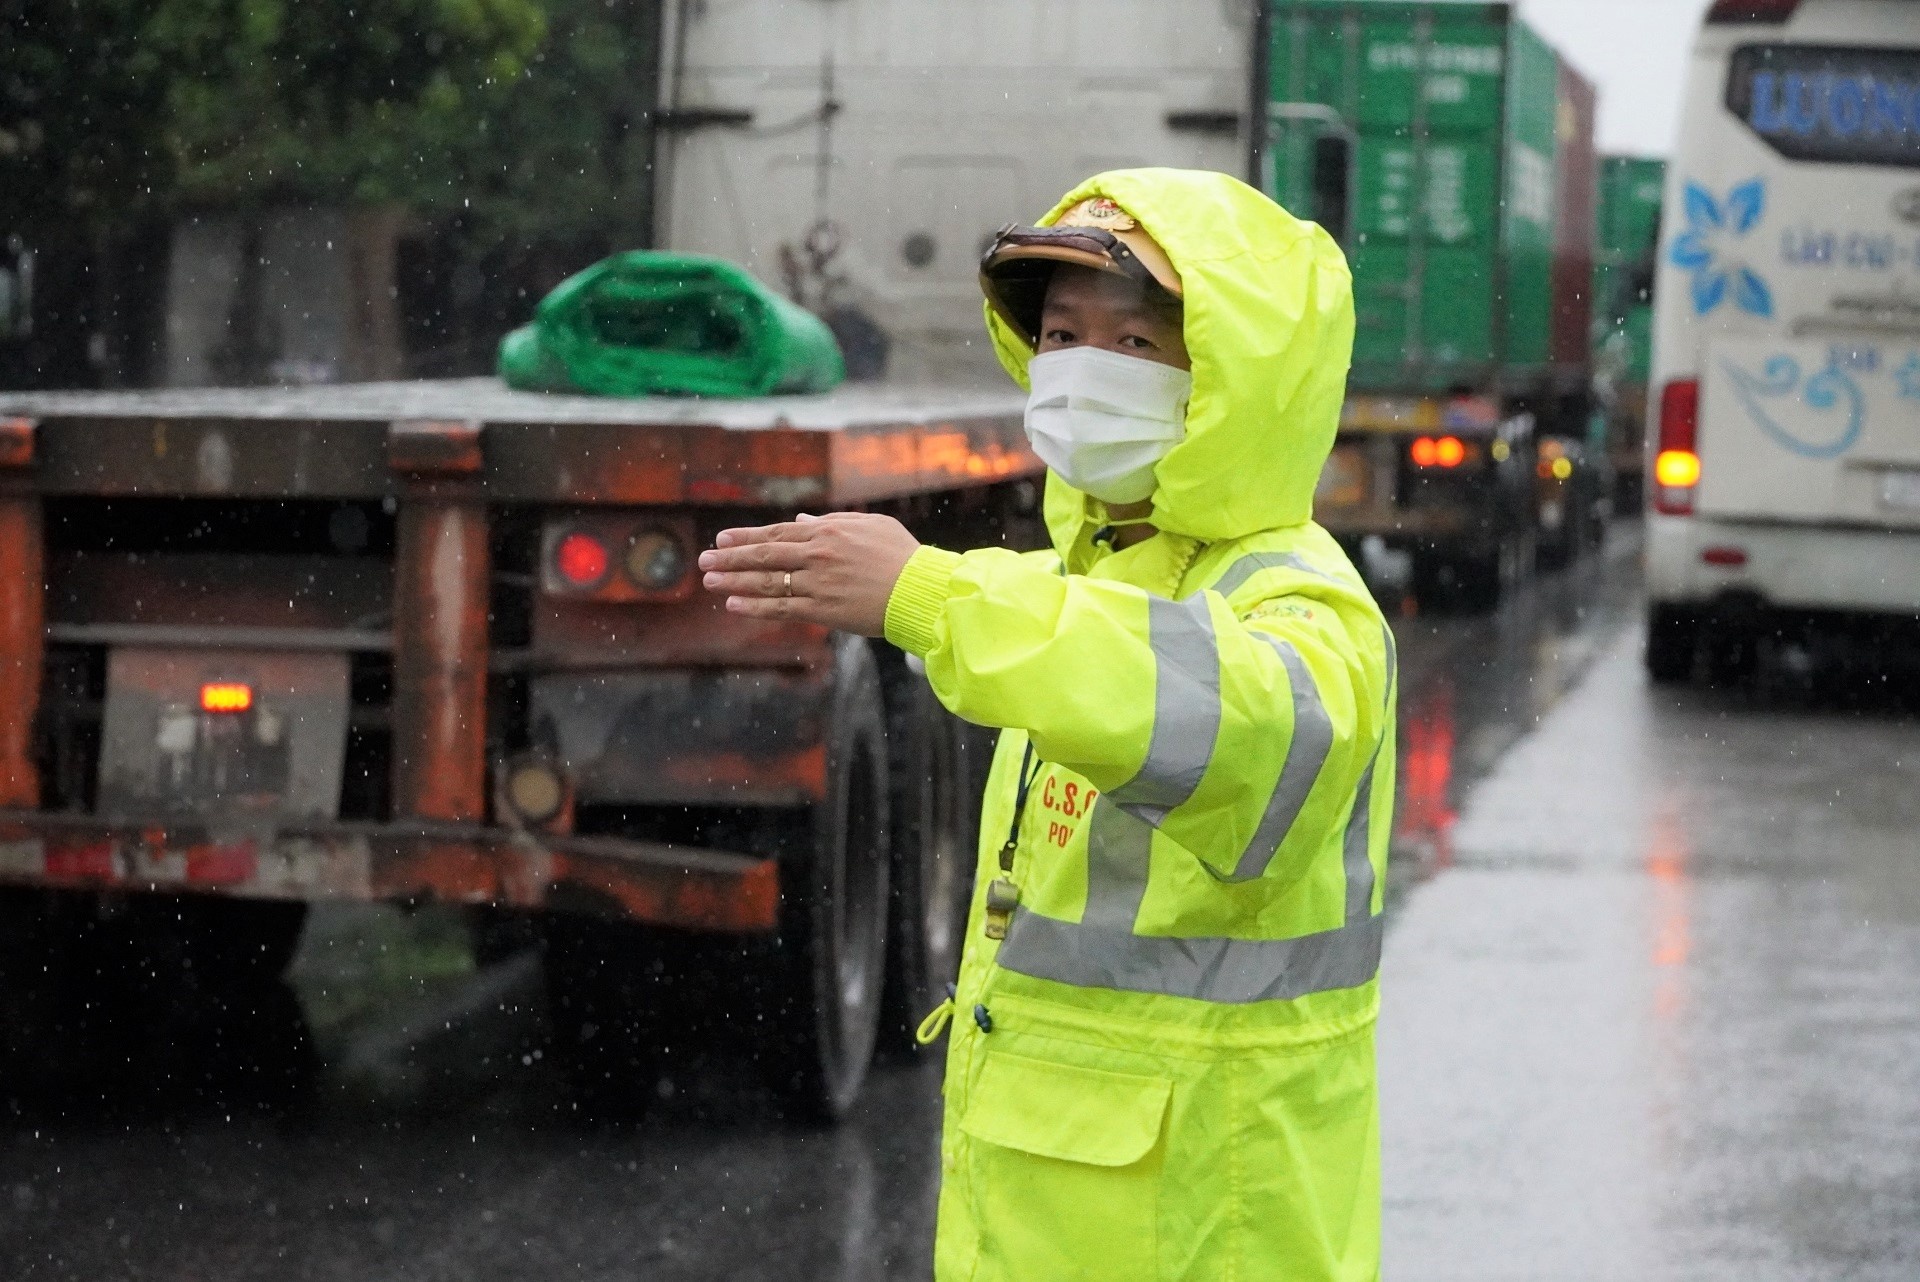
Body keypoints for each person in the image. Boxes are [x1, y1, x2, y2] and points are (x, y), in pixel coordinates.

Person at [699, 167, 1394, 1282]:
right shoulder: (1090, 579)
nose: (1077, 369)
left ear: (1233, 377)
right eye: (1061, 334)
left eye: (1131, 343)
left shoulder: (1300, 601)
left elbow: (1233, 733)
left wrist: (929, 596)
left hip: (1208, 1228)